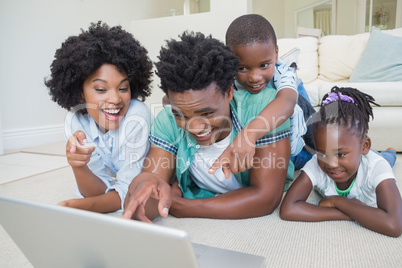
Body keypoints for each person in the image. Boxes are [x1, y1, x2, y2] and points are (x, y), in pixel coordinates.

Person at [122, 31, 293, 222]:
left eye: (206, 114)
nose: (195, 127)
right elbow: (151, 201)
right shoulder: (167, 119)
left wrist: (181, 206)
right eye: (181, 115)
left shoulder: (263, 109)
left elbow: (265, 199)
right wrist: (145, 184)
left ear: (229, 92)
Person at [45, 22, 153, 213]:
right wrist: (78, 166)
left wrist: (74, 206)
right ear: (80, 93)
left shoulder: (137, 117)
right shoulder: (76, 121)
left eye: (123, 88)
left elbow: (130, 192)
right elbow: (97, 191)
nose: (115, 99)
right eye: (101, 89)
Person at [280, 86, 402, 237]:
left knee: (386, 159)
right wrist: (348, 212)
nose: (331, 164)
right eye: (322, 153)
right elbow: (288, 209)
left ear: (365, 146)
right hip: (359, 158)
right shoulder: (316, 163)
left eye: (341, 154)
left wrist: (338, 202)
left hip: (372, 158)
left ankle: (391, 151)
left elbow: (394, 225)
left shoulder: (376, 166)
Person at [208, 14, 315, 180]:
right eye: (242, 68)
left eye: (264, 65)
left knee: (326, 142)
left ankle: (293, 68)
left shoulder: (281, 72)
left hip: (300, 142)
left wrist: (249, 134)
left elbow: (286, 102)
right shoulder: (228, 76)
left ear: (276, 54)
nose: (255, 77)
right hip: (267, 144)